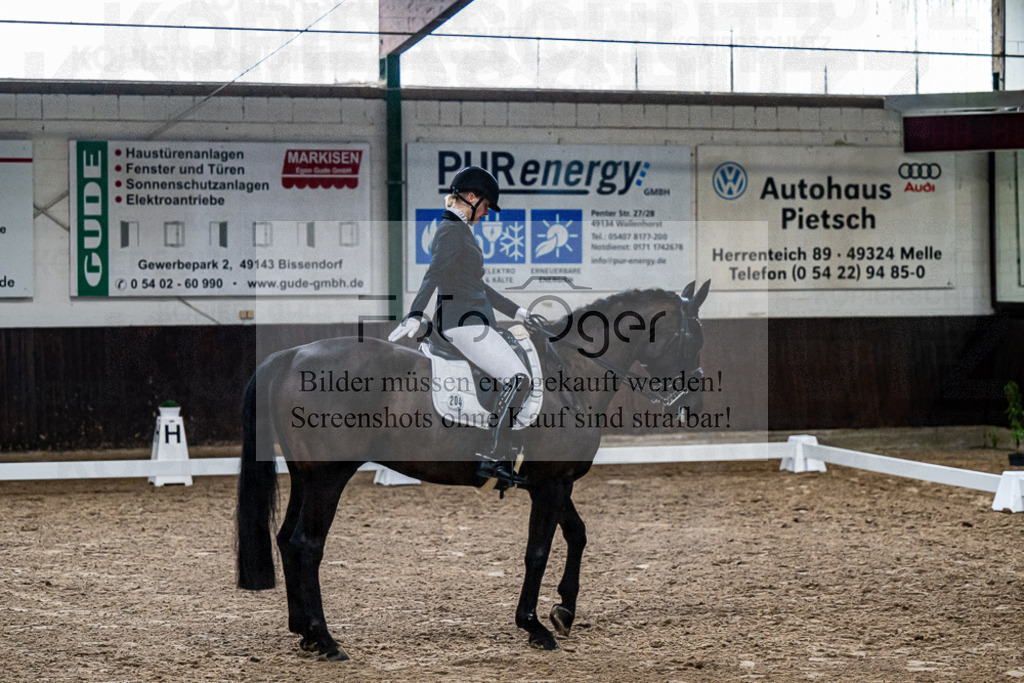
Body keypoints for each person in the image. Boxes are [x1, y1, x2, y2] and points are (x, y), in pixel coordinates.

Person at [389, 166, 530, 489]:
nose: (485, 214)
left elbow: (480, 287)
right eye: (484, 207)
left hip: (470, 320)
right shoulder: (453, 231)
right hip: (464, 324)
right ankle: (495, 456)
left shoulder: (460, 230)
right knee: (518, 378)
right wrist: (414, 312)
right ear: (471, 197)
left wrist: (519, 312)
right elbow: (433, 274)